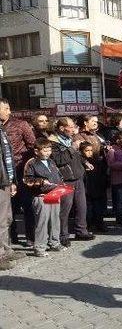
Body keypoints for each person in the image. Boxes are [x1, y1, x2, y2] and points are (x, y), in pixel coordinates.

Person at [49, 117, 95, 246]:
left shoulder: (70, 139)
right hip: (65, 179)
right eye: (71, 126)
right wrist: (72, 148)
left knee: (82, 206)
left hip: (78, 177)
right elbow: (59, 160)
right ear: (62, 128)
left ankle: (81, 231)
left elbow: (76, 156)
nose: (74, 128)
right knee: (65, 209)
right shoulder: (53, 142)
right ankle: (63, 235)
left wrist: (84, 162)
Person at [0, 98, 36, 246]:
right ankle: (11, 238)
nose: (7, 111)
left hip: (21, 171)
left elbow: (33, 146)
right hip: (3, 174)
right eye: (4, 108)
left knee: (27, 206)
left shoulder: (21, 125)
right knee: (9, 209)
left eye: (7, 108)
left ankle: (30, 238)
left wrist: (30, 167)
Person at [23, 138, 67, 256]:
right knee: (42, 222)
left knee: (55, 220)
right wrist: (41, 182)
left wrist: (62, 184)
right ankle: (40, 247)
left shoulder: (51, 162)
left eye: (49, 150)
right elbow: (27, 180)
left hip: (54, 194)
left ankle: (54, 243)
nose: (48, 152)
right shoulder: (31, 163)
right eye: (45, 150)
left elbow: (58, 175)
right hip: (41, 196)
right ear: (37, 151)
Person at [0, 124, 22, 270]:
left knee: (7, 218)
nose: (8, 111)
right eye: (5, 108)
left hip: (5, 179)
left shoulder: (2, 130)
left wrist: (12, 180)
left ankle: (6, 250)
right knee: (1, 219)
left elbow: (8, 157)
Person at [79, 141, 108, 232]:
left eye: (91, 150)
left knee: (98, 208)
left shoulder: (97, 161)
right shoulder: (80, 161)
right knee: (89, 209)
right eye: (87, 150)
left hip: (97, 187)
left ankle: (99, 224)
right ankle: (89, 225)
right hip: (86, 188)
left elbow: (103, 173)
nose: (89, 152)